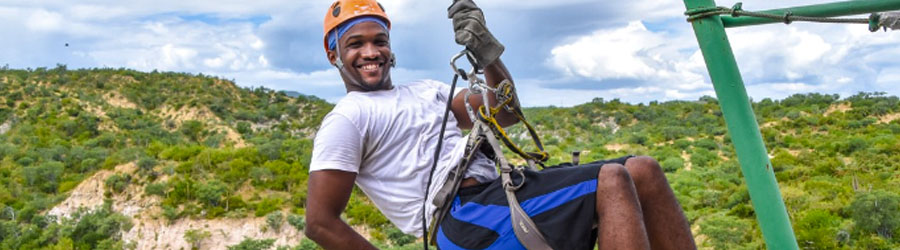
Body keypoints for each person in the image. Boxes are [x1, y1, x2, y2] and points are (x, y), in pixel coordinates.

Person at [304, 0, 697, 249]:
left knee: (643, 169)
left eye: (379, 40)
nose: (371, 52)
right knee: (611, 179)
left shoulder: (428, 91)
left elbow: (505, 111)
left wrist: (487, 55)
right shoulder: (347, 119)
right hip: (460, 218)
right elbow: (320, 223)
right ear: (333, 53)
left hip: (498, 192)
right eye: (355, 44)